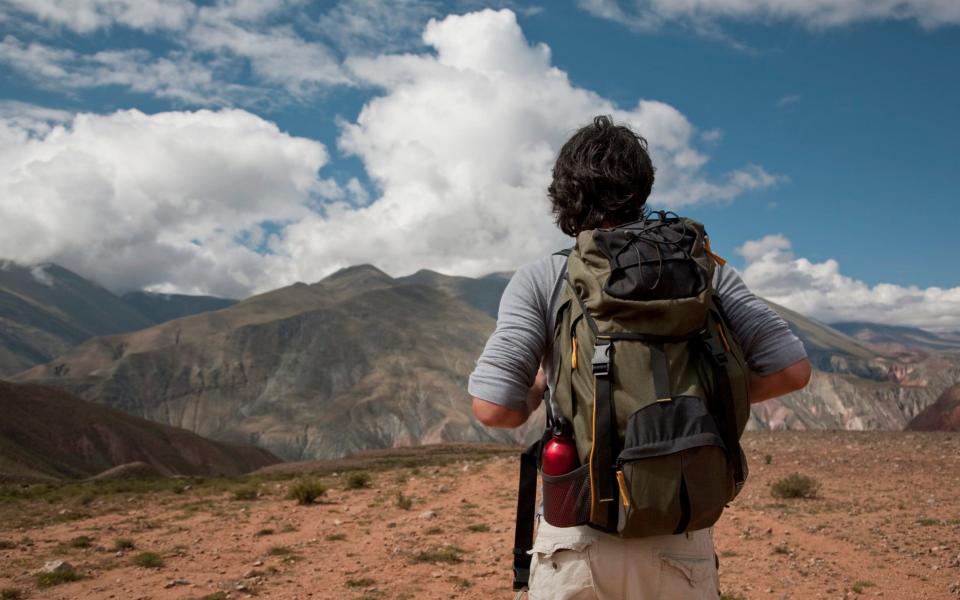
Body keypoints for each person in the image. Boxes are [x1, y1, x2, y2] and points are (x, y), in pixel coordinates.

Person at [468, 115, 811, 599]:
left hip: (578, 539)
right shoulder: (703, 272)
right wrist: (705, 395)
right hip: (680, 534)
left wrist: (547, 387)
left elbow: (495, 409)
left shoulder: (543, 278)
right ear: (642, 189)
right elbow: (791, 371)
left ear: (564, 197)